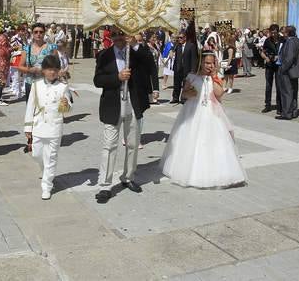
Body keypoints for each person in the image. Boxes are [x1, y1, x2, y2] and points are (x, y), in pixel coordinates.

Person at [160, 52, 246, 188]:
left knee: (212, 140)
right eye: (207, 63)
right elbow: (184, 94)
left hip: (210, 112)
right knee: (191, 139)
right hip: (193, 111)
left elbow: (219, 94)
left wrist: (213, 76)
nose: (210, 66)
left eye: (212, 63)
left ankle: (218, 172)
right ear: (201, 63)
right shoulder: (192, 76)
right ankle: (189, 171)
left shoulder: (216, 76)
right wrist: (190, 93)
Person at [93, 27, 157, 204]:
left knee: (132, 144)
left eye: (121, 34)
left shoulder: (136, 53)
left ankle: (128, 177)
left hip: (133, 102)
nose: (118, 38)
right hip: (112, 104)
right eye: (114, 35)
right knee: (109, 145)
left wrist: (135, 43)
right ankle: (105, 185)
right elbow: (97, 80)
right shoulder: (104, 55)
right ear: (110, 37)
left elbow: (149, 63)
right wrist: (117, 77)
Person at [23, 55, 74, 200]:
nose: (52, 72)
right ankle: (46, 172)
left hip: (54, 127)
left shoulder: (63, 86)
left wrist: (66, 104)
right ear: (43, 70)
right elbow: (30, 106)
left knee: (51, 158)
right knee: (37, 154)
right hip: (38, 126)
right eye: (49, 69)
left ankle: (47, 186)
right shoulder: (36, 85)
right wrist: (28, 127)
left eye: (55, 70)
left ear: (58, 71)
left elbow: (68, 108)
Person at [17, 23, 58, 101]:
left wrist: (46, 71)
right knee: (31, 110)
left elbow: (57, 67)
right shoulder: (26, 49)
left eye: (41, 32)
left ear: (44, 33)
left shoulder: (52, 48)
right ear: (32, 33)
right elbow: (20, 67)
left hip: (47, 84)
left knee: (46, 110)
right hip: (30, 83)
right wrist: (30, 70)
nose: (38, 34)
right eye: (35, 32)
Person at [276, 26, 299, 120]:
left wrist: (282, 69)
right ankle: (293, 111)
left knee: (286, 92)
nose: (282, 34)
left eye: (284, 32)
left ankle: (287, 113)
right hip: (294, 71)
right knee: (293, 92)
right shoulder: (298, 41)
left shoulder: (290, 42)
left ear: (287, 33)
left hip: (288, 71)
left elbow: (289, 58)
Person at [171, 31, 198, 104]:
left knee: (185, 84)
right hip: (178, 67)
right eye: (178, 37)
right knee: (176, 84)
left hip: (187, 68)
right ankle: (175, 98)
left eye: (181, 37)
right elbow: (172, 50)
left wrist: (193, 70)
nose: (179, 39)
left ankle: (184, 98)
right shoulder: (177, 45)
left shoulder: (191, 46)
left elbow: (194, 59)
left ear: (185, 38)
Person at [261, 24, 281, 113]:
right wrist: (266, 58)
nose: (273, 35)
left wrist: (279, 57)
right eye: (271, 33)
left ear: (278, 32)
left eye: (275, 33)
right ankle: (267, 105)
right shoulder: (267, 41)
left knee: (279, 86)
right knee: (268, 85)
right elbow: (262, 52)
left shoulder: (282, 40)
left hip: (279, 66)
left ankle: (279, 106)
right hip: (269, 65)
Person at [0, 28, 11, 106]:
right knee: (1, 81)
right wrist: (11, 49)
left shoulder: (2, 37)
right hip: (2, 63)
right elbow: (3, 51)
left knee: (2, 81)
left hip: (3, 62)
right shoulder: (3, 38)